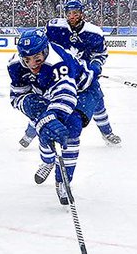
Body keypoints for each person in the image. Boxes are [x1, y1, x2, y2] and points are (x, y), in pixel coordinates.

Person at [19, 0, 120, 147]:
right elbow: (41, 43)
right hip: (58, 74)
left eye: (75, 13)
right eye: (69, 13)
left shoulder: (94, 33)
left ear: (82, 14)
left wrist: (95, 66)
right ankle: (29, 135)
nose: (72, 16)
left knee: (97, 101)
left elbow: (100, 54)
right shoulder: (54, 27)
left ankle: (107, 133)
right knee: (47, 105)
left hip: (82, 76)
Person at [8, 28, 90, 205]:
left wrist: (54, 115)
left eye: (37, 58)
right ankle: (48, 161)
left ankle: (63, 180)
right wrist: (30, 104)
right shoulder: (15, 65)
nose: (32, 64)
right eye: (27, 59)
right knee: (44, 127)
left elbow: (66, 94)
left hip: (81, 91)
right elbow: (16, 97)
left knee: (71, 128)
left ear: (46, 51)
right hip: (46, 93)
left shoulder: (59, 61)